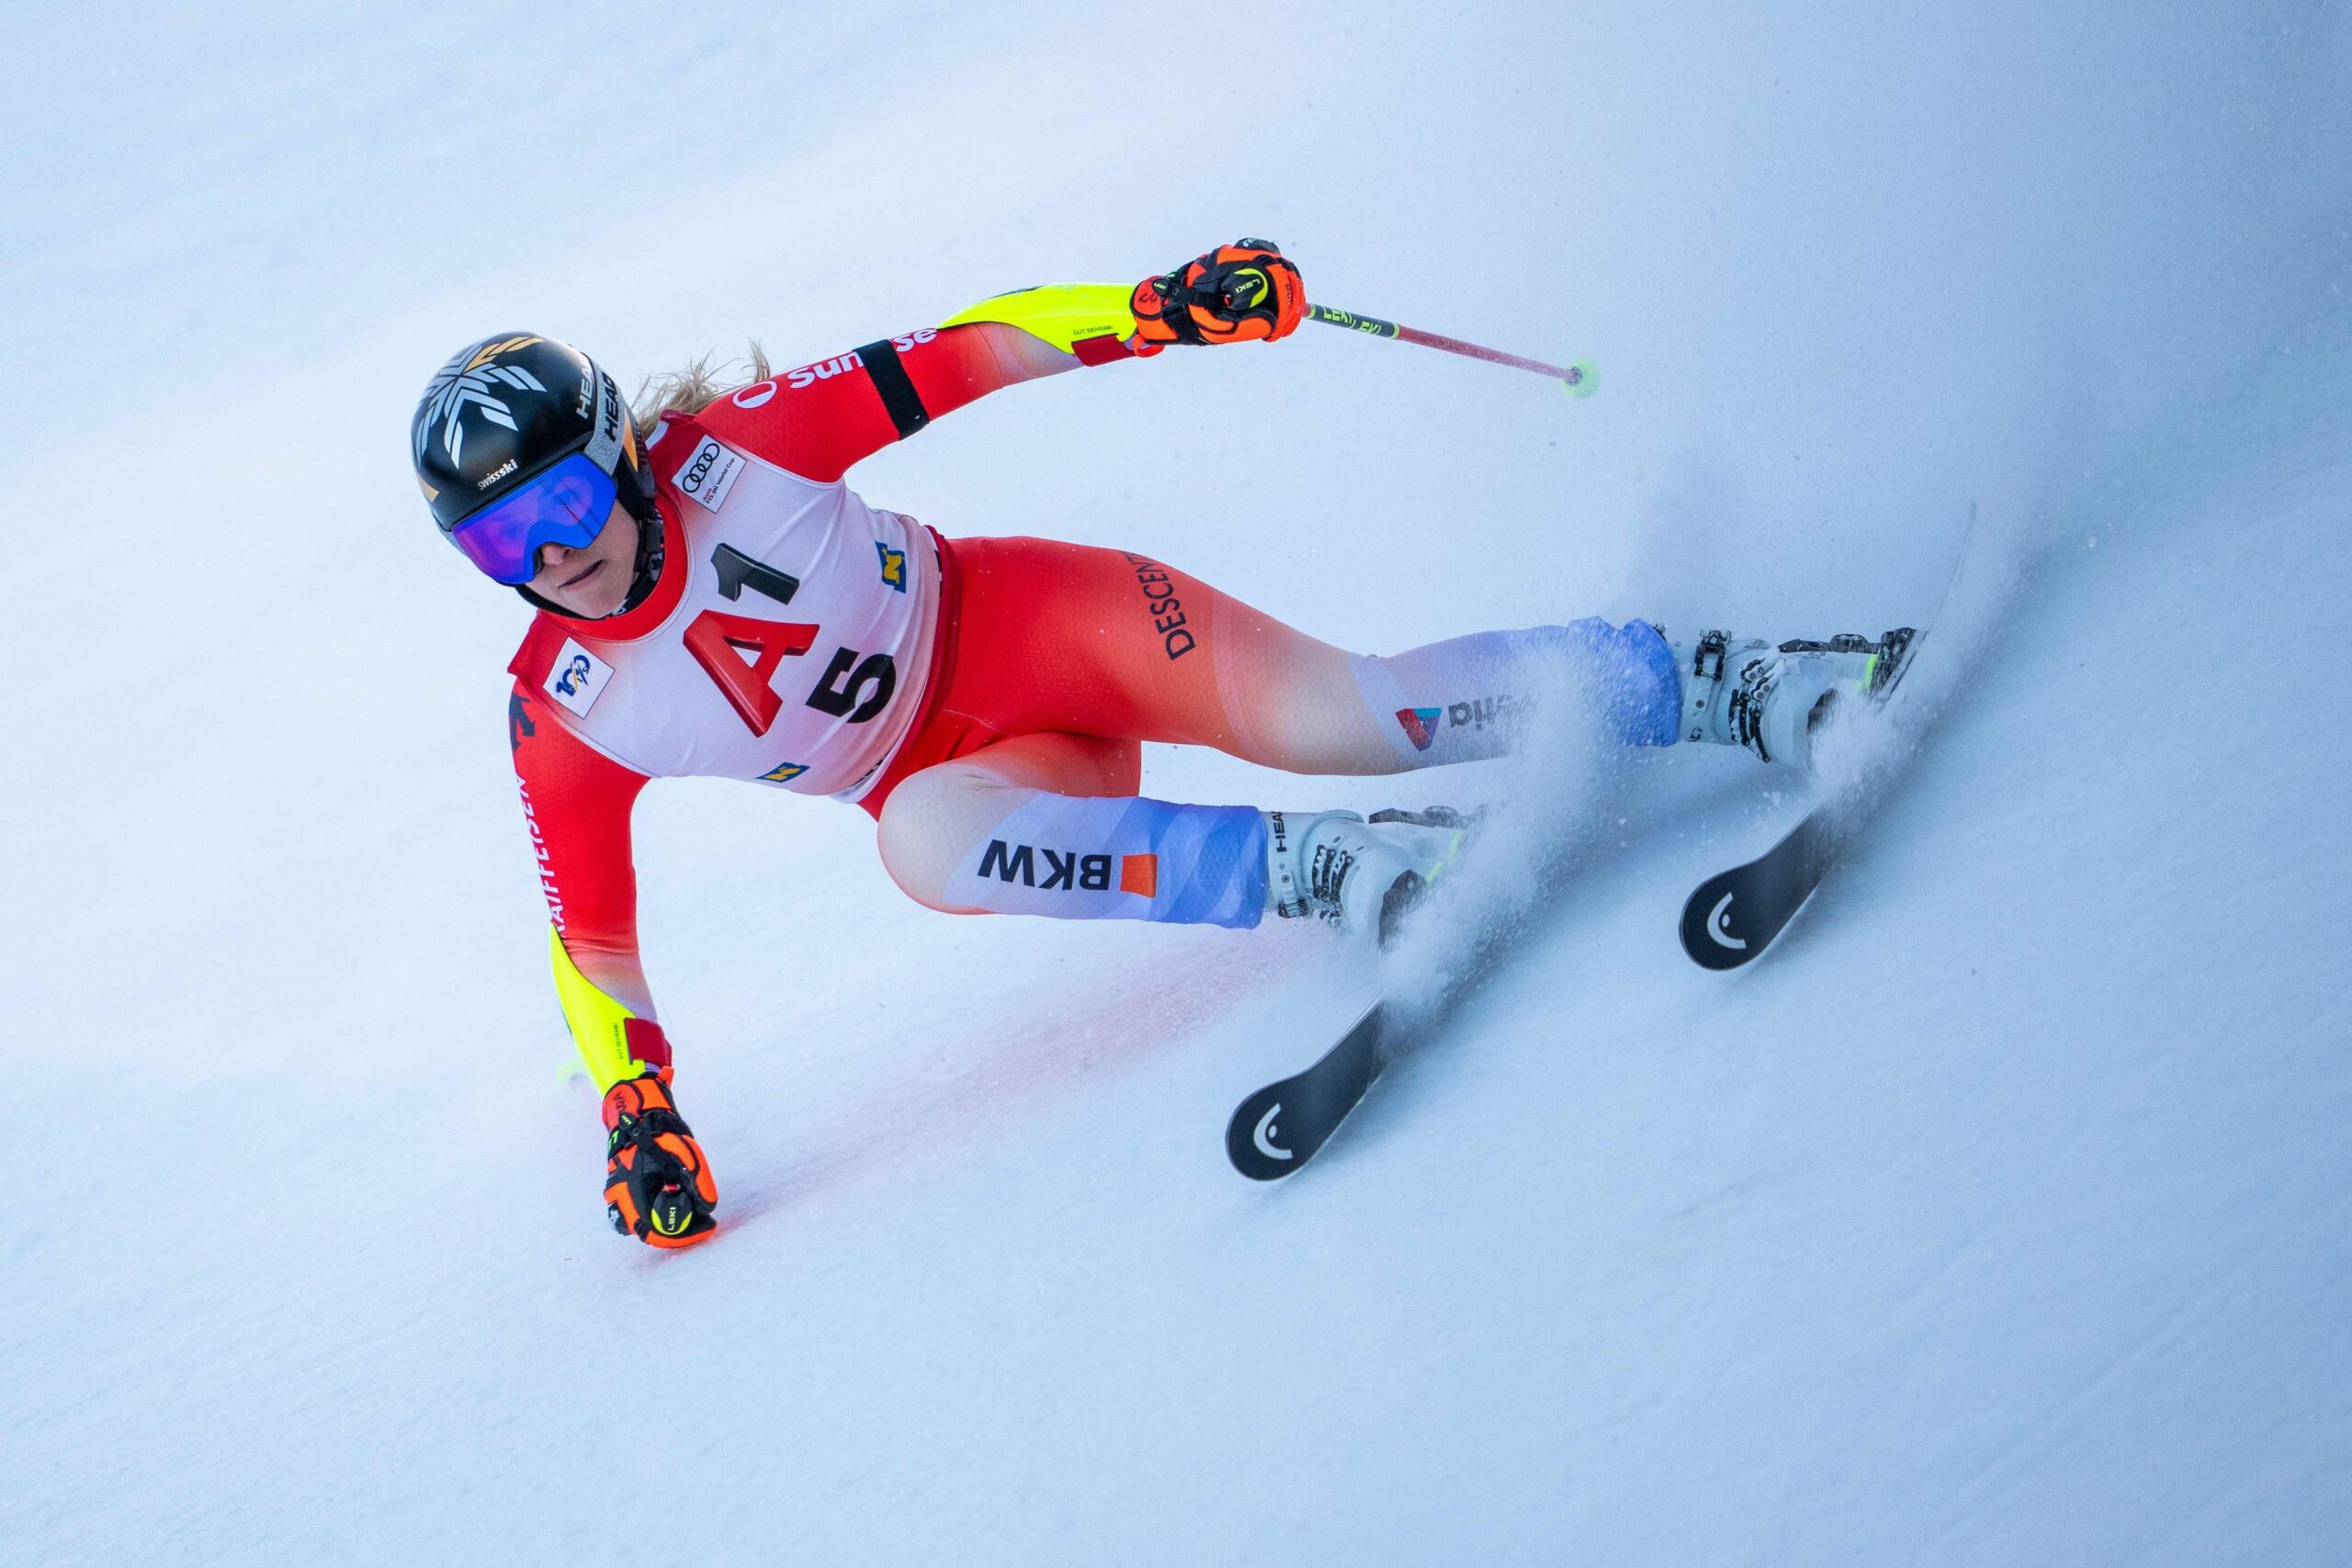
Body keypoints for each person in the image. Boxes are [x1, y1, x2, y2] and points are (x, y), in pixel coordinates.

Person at [411, 241, 1908, 1248]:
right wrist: (637, 1107)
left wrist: (1159, 307)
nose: (547, 561)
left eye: (556, 507)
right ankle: (1347, 875)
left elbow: (970, 351)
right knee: (920, 847)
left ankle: (1731, 682)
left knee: (1355, 717)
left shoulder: (743, 449)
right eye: (494, 547)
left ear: (621, 456)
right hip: (989, 776)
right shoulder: (564, 711)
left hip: (1043, 625)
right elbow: (590, 943)